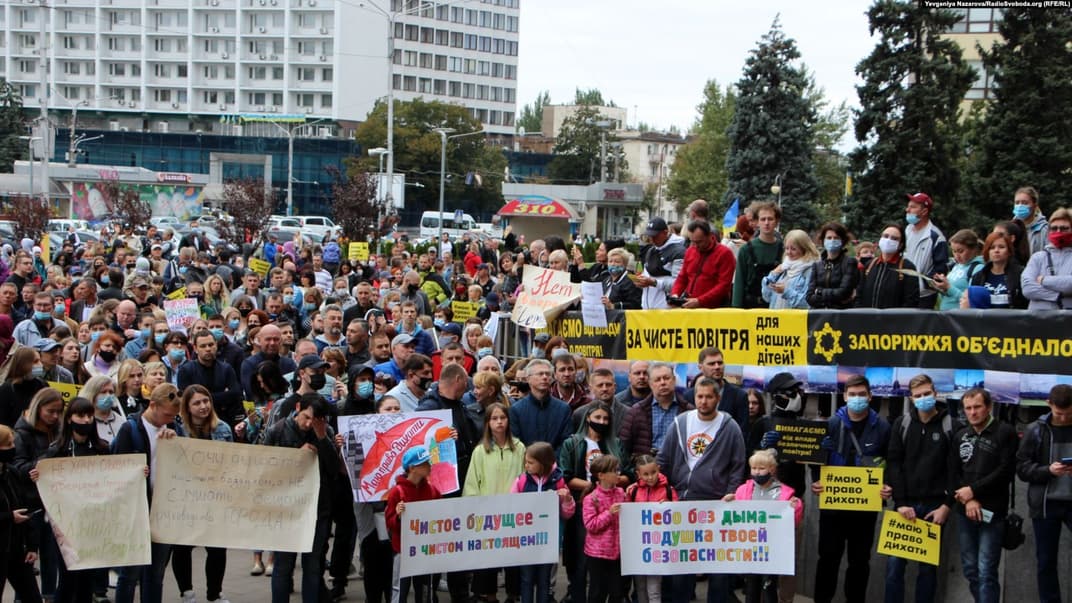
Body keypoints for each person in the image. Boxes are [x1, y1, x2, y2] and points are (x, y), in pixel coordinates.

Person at [655, 377, 745, 603]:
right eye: (700, 396)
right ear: (694, 397)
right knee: (682, 565)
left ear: (718, 398)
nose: (704, 401)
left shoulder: (730, 427)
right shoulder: (681, 422)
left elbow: (738, 465)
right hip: (683, 503)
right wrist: (664, 491)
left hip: (717, 505)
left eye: (709, 397)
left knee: (718, 567)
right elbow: (663, 460)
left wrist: (731, 493)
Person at [810, 374, 891, 603]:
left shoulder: (882, 427)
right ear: (844, 396)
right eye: (852, 394)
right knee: (827, 559)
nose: (857, 398)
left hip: (865, 509)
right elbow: (815, 459)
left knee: (860, 562)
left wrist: (887, 485)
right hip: (832, 508)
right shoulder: (831, 424)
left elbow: (891, 461)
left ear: (870, 396)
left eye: (862, 394)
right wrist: (816, 480)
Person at [884, 374, 956, 603]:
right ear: (911, 398)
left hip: (935, 508)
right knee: (894, 568)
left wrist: (947, 506)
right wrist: (900, 503)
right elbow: (894, 463)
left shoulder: (951, 425)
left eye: (927, 393)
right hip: (904, 507)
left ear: (935, 393)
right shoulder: (902, 423)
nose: (923, 398)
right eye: (918, 395)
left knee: (927, 571)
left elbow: (956, 470)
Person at [112, 383, 184, 603]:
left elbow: (184, 465)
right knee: (130, 574)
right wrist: (135, 471)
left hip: (162, 510)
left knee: (156, 574)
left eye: (173, 416)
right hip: (136, 511)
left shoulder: (174, 428)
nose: (169, 419)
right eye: (166, 414)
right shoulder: (130, 429)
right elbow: (117, 468)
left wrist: (176, 443)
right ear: (153, 405)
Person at [264, 393, 337, 603]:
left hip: (317, 510)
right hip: (285, 510)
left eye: (314, 421)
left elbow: (333, 470)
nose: (308, 424)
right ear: (297, 407)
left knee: (313, 567)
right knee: (283, 567)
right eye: (306, 417)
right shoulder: (277, 431)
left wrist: (322, 438)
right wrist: (297, 456)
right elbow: (265, 469)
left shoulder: (325, 431)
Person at [37, 397, 111, 603]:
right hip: (65, 523)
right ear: (69, 418)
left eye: (89, 416)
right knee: (69, 577)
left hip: (93, 521)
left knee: (87, 577)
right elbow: (45, 480)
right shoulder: (57, 449)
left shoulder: (101, 448)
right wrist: (38, 474)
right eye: (81, 415)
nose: (86, 420)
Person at [559, 403, 630, 603]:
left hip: (613, 501)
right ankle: (577, 596)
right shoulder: (573, 443)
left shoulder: (616, 443)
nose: (602, 422)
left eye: (606, 419)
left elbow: (628, 473)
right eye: (598, 417)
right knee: (580, 558)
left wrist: (613, 481)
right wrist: (595, 486)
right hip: (583, 502)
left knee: (613, 560)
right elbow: (567, 476)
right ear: (587, 418)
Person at [951, 387, 1016, 603]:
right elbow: (953, 471)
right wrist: (969, 498)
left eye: (977, 407)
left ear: (988, 407)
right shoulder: (961, 435)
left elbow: (1006, 471)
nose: (973, 412)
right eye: (968, 408)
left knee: (986, 570)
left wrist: (974, 490)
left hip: (993, 512)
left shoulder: (1004, 432)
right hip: (964, 510)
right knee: (970, 569)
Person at [170, 385, 233, 603]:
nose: (203, 406)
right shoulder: (178, 430)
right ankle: (186, 592)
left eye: (206, 401)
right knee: (182, 547)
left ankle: (215, 593)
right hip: (187, 499)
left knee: (217, 548)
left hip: (215, 498)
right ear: (187, 407)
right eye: (197, 403)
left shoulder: (222, 428)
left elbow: (232, 461)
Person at [1015, 383, 1072, 602]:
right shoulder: (1036, 430)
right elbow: (1022, 468)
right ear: (1049, 404)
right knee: (1046, 561)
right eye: (1059, 414)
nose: (1064, 418)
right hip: (1046, 503)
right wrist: (1047, 470)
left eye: (1068, 414)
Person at [723, 449, 803, 603]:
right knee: (751, 587)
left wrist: (795, 506)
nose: (757, 472)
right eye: (754, 468)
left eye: (761, 468)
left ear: (772, 470)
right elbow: (731, 516)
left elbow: (794, 520)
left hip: (772, 549)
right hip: (750, 548)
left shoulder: (784, 493)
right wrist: (727, 501)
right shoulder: (742, 491)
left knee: (769, 587)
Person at [463, 403, 524, 603]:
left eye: (502, 418)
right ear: (488, 423)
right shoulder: (480, 451)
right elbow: (472, 484)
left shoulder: (519, 448)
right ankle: (489, 596)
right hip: (487, 516)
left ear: (508, 421)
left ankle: (513, 595)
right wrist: (475, 510)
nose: (499, 422)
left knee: (513, 558)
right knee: (488, 559)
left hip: (513, 515)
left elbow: (524, 479)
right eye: (494, 418)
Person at [13, 387, 63, 601]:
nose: (55, 416)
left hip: (53, 502)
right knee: (27, 560)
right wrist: (45, 458)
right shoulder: (22, 434)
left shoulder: (57, 430)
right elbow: (18, 467)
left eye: (58, 412)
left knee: (51, 556)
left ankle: (49, 595)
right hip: (31, 504)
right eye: (50, 411)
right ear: (38, 409)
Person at [510, 441, 575, 603]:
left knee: (544, 580)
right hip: (526, 540)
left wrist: (567, 499)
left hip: (547, 541)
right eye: (525, 461)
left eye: (531, 462)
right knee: (526, 579)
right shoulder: (521, 481)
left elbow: (567, 513)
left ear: (543, 463)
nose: (526, 465)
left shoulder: (559, 482)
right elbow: (511, 506)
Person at [386, 446, 441, 603]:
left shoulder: (432, 490)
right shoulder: (397, 492)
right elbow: (389, 524)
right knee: (399, 591)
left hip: (424, 551)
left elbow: (441, 517)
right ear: (412, 468)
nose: (429, 465)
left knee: (424, 592)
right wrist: (397, 516)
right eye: (424, 463)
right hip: (402, 551)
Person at [624, 455, 678, 603]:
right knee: (640, 587)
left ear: (658, 469)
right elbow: (626, 516)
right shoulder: (633, 491)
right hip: (638, 547)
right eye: (646, 474)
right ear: (638, 474)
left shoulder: (668, 490)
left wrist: (670, 506)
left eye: (653, 472)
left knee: (654, 589)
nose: (650, 477)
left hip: (657, 548)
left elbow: (678, 516)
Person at [0, 423, 43, 603]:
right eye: (8, 444)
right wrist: (9, 517)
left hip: (17, 548)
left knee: (32, 597)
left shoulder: (11, 473)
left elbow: (26, 507)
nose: (14, 448)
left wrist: (32, 545)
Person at [620, 362, 693, 459]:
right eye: (657, 380)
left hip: (678, 464)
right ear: (650, 384)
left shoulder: (689, 411)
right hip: (647, 466)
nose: (662, 383)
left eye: (666, 378)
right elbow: (625, 445)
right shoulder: (636, 412)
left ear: (674, 380)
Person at [177, 330, 245, 429]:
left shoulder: (226, 369)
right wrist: (223, 395)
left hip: (224, 420)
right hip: (196, 424)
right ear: (195, 348)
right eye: (203, 346)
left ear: (216, 345)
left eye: (211, 345)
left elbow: (235, 394)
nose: (208, 349)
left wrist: (202, 397)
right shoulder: (186, 370)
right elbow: (186, 399)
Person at [582, 454, 625, 603]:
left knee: (617, 592)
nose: (618, 474)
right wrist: (609, 513)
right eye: (614, 471)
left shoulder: (622, 493)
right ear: (601, 475)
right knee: (597, 592)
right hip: (597, 555)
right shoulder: (591, 498)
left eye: (618, 470)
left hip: (618, 553)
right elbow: (591, 525)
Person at [508, 359, 572, 450]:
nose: (545, 377)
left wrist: (551, 458)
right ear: (528, 379)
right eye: (540, 374)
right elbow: (515, 443)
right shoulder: (516, 410)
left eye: (548, 374)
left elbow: (565, 443)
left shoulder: (563, 409)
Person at [671, 219, 735, 308]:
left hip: (715, 308)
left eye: (699, 241)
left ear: (710, 235)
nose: (695, 245)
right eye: (692, 241)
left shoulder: (725, 254)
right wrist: (675, 294)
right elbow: (682, 277)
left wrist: (700, 301)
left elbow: (724, 285)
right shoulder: (690, 251)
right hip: (690, 303)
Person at [684, 347, 749, 434]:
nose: (717, 367)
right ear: (700, 367)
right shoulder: (689, 396)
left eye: (720, 363)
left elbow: (742, 434)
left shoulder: (739, 396)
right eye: (712, 364)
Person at [855, 224, 921, 309]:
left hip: (893, 317)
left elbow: (911, 301)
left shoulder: (907, 267)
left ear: (900, 245)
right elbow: (859, 294)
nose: (888, 240)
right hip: (868, 316)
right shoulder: (870, 265)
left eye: (894, 238)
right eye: (885, 236)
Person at [733, 202, 783, 309]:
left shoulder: (784, 249)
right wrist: (736, 310)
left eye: (770, 219)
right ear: (757, 222)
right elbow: (739, 283)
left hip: (776, 307)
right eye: (763, 219)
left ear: (777, 221)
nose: (766, 223)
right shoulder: (745, 250)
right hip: (750, 307)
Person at [903, 192, 949, 309]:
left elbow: (941, 268)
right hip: (904, 291)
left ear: (924, 211)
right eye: (908, 206)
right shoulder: (907, 230)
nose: (907, 210)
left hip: (924, 297)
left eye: (912, 207)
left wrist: (924, 284)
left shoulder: (936, 236)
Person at [1022, 207, 1072, 310]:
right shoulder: (1037, 257)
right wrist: (1058, 296)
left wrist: (1044, 280)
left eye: (1064, 228)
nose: (1058, 231)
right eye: (1054, 228)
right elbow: (1027, 288)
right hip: (1038, 318)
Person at [633, 217, 686, 309]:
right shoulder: (651, 250)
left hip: (667, 309)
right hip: (648, 307)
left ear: (665, 232)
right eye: (649, 236)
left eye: (655, 236)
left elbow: (680, 283)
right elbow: (647, 276)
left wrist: (655, 282)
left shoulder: (678, 252)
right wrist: (640, 281)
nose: (652, 239)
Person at [806, 222, 859, 309]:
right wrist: (833, 297)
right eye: (829, 238)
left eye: (836, 238)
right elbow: (809, 297)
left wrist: (819, 291)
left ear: (842, 240)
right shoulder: (817, 265)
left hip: (840, 314)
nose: (832, 240)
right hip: (819, 314)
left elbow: (844, 293)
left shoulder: (849, 263)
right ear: (823, 240)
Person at [761, 229, 818, 309]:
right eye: (787, 248)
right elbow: (766, 297)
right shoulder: (784, 267)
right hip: (776, 315)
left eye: (793, 249)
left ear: (804, 249)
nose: (789, 252)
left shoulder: (810, 270)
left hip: (795, 317)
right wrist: (772, 275)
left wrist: (786, 291)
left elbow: (807, 303)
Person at [969, 231, 1027, 309]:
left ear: (1009, 251)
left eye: (1001, 247)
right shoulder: (978, 277)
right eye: (992, 247)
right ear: (987, 251)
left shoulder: (1021, 274)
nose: (996, 250)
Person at [932, 229, 984, 311]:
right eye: (954, 251)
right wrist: (941, 287)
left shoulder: (978, 268)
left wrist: (948, 287)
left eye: (961, 251)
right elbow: (948, 296)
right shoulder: (956, 266)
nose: (957, 256)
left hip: (960, 315)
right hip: (946, 313)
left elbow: (971, 300)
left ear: (973, 249)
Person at [1014, 186, 1049, 255]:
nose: (1020, 206)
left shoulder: (1045, 230)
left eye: (1025, 203)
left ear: (1035, 204)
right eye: (1017, 203)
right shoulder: (1010, 228)